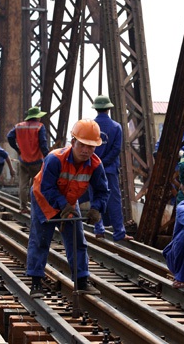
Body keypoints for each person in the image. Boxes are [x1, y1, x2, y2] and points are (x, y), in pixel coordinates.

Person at [26, 119, 110, 298]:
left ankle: (81, 281)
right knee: (40, 239)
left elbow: (102, 191)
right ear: (73, 142)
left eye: (91, 147)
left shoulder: (95, 165)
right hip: (44, 200)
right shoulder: (55, 159)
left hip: (70, 201)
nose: (86, 150)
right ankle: (35, 283)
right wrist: (62, 205)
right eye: (82, 145)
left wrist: (96, 209)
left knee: (77, 240)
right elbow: (47, 188)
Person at [85, 95, 132, 241]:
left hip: (93, 168)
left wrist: (97, 164)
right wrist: (104, 163)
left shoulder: (90, 126)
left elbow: (86, 147)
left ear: (96, 109)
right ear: (109, 108)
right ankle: (119, 232)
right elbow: (116, 149)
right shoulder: (116, 127)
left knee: (95, 198)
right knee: (114, 200)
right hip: (110, 169)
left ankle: (98, 230)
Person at [7, 106, 49, 214]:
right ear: (37, 117)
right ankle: (36, 206)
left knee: (23, 184)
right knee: (37, 185)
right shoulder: (40, 127)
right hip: (37, 161)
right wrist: (48, 157)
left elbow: (9, 137)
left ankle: (23, 207)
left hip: (23, 160)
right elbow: (43, 144)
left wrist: (17, 149)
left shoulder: (18, 126)